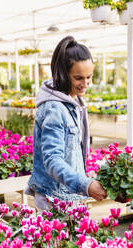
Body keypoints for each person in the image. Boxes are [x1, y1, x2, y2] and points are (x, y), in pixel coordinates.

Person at [25, 36, 107, 210]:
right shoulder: (54, 108)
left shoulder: (72, 103)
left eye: (89, 77)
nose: (85, 83)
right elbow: (52, 159)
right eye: (78, 78)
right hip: (54, 197)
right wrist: (86, 185)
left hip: (69, 193)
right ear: (63, 74)